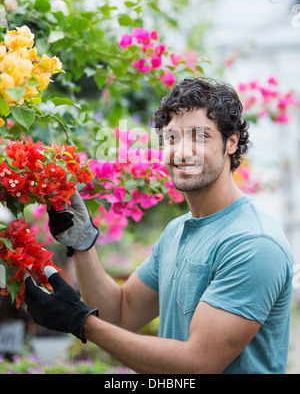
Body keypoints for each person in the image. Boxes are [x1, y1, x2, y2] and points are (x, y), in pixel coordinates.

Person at [24, 77, 294, 374]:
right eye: (172, 138)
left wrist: (82, 322)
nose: (182, 151)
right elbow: (121, 314)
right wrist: (84, 243)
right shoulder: (177, 231)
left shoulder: (253, 243)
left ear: (231, 142)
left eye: (200, 136)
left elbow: (197, 364)